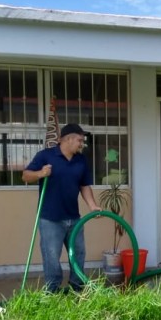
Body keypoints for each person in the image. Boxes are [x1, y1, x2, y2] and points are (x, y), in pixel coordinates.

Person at [23, 123, 102, 293]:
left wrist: (93, 205)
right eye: (80, 140)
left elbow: (84, 185)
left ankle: (77, 286)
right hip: (50, 219)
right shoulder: (45, 156)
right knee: (51, 257)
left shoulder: (81, 160)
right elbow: (26, 175)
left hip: (74, 218)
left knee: (79, 253)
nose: (82, 144)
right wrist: (40, 174)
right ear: (68, 139)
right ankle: (52, 290)